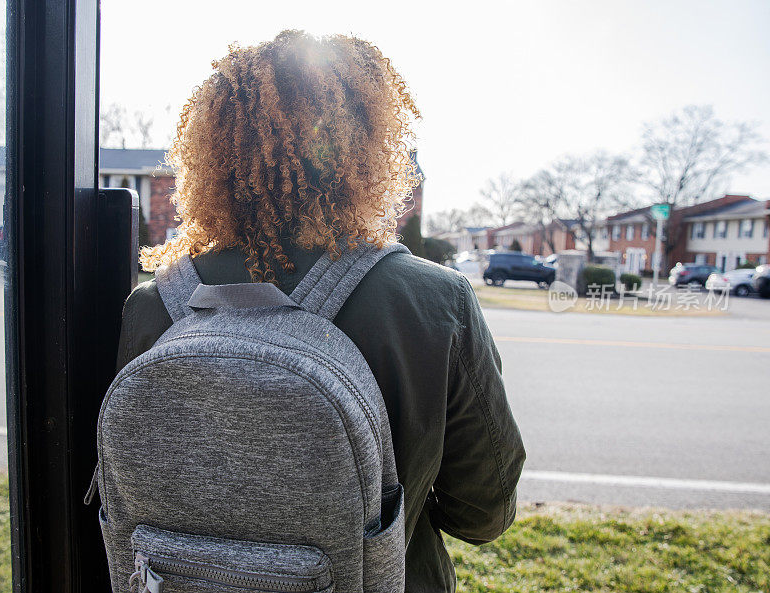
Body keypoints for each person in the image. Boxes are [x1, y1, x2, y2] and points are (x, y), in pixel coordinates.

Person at [115, 30, 525, 593]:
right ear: (371, 147)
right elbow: (482, 513)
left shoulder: (154, 306)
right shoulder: (435, 303)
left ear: (212, 155)